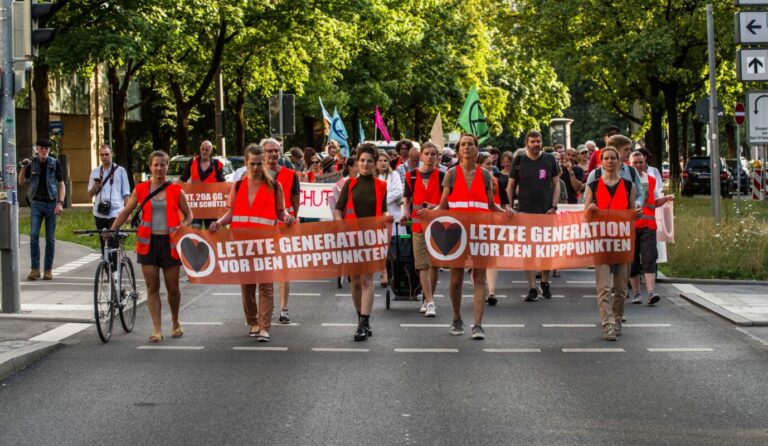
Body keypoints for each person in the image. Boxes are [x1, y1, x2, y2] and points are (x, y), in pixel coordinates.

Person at [209, 144, 293, 342]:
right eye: (251, 164)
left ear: (263, 162)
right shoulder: (238, 186)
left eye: (258, 163)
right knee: (246, 285)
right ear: (246, 164)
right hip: (242, 243)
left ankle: (265, 328)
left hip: (266, 243)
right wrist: (219, 223)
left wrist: (287, 217)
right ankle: (253, 322)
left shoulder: (274, 186)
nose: (255, 168)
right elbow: (231, 213)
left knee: (266, 286)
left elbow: (281, 212)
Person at [110, 150, 193, 343]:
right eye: (155, 165)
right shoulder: (140, 189)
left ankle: (175, 321)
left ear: (167, 167)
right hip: (148, 244)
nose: (159, 168)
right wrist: (112, 229)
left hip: (171, 244)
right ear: (150, 167)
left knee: (173, 288)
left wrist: (184, 227)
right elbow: (126, 211)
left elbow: (189, 215)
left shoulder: (175, 190)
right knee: (151, 286)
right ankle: (156, 329)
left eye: (162, 164)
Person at [435, 134, 505, 340]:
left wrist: (507, 214)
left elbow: (491, 205)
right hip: (457, 232)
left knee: (479, 277)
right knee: (456, 278)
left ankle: (478, 324)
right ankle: (457, 317)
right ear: (458, 150)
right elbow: (443, 205)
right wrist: (429, 213)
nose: (466, 148)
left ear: (476, 149)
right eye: (463, 144)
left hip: (479, 232)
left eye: (470, 144)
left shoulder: (485, 175)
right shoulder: (451, 174)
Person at [333, 143, 391, 341]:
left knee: (367, 280)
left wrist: (386, 217)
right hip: (351, 239)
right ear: (357, 163)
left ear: (375, 164)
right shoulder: (349, 184)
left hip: (371, 239)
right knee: (355, 282)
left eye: (369, 161)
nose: (365, 164)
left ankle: (364, 323)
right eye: (362, 161)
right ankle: (360, 318)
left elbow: (382, 210)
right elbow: (338, 209)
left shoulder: (381, 186)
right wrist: (340, 227)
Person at [583, 147, 637, 341]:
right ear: (601, 162)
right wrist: (591, 210)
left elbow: (632, 213)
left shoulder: (629, 185)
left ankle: (618, 317)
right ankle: (607, 325)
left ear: (619, 161)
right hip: (602, 244)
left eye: (613, 158)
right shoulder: (594, 186)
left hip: (622, 243)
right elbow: (585, 215)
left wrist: (635, 214)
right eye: (606, 158)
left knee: (621, 289)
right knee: (604, 288)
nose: (610, 161)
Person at [507, 131, 560, 302]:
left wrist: (553, 206)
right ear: (526, 143)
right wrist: (508, 206)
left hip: (546, 212)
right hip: (525, 212)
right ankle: (531, 287)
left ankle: (544, 281)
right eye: (532, 141)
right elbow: (510, 185)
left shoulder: (550, 159)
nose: (536, 144)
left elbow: (556, 184)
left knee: (547, 249)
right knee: (528, 250)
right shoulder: (519, 160)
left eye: (538, 141)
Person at [400, 142, 443, 317]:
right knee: (422, 265)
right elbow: (407, 199)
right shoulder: (411, 176)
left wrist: (435, 207)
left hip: (438, 226)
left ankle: (427, 298)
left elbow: (447, 201)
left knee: (434, 265)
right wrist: (405, 213)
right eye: (427, 154)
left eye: (434, 154)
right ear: (421, 156)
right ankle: (431, 302)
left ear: (437, 157)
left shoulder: (442, 177)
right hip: (417, 225)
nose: (430, 157)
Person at [263, 138, 301, 324]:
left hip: (285, 227)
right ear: (263, 153)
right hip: (261, 228)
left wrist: (294, 218)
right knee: (265, 270)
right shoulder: (254, 174)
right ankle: (266, 307)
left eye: (276, 151)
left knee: (284, 268)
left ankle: (284, 309)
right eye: (269, 151)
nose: (273, 154)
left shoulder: (290, 175)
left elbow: (296, 200)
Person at [629, 151, 674, 305]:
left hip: (648, 225)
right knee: (632, 261)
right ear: (630, 163)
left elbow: (654, 201)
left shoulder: (651, 179)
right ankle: (636, 293)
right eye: (635, 162)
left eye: (641, 162)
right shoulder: (625, 179)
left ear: (645, 162)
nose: (638, 165)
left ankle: (650, 292)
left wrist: (665, 199)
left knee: (649, 258)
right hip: (630, 227)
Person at [18, 139, 66, 281]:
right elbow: (20, 182)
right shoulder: (32, 163)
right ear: (37, 149)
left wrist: (60, 203)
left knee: (50, 239)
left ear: (49, 150)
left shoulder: (54, 163)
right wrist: (23, 168)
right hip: (36, 203)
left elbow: (61, 183)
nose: (44, 150)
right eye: (41, 148)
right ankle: (35, 269)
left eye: (46, 148)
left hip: (51, 203)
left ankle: (48, 270)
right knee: (33, 236)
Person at [87, 144, 131, 264]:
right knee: (103, 242)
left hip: (116, 212)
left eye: (107, 154)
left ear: (112, 155)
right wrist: (96, 187)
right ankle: (106, 268)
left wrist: (128, 213)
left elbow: (126, 194)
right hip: (99, 212)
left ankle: (115, 272)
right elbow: (90, 194)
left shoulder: (120, 171)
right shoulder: (95, 172)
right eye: (102, 155)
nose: (104, 157)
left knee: (112, 241)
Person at [177, 140, 225, 229]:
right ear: (200, 149)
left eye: (207, 150)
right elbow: (183, 179)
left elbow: (223, 184)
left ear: (211, 151)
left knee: (213, 230)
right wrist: (170, 189)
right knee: (196, 228)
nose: (204, 152)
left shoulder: (217, 164)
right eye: (202, 149)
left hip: (211, 204)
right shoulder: (192, 162)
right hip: (196, 202)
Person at [376, 150, 403, 287]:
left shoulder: (395, 175)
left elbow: (398, 191)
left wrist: (382, 200)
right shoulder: (372, 176)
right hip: (378, 215)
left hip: (393, 215)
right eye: (380, 160)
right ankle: (384, 272)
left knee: (393, 246)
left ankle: (394, 272)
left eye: (385, 160)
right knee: (381, 245)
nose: (383, 163)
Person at [478, 152, 501, 306]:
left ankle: (491, 292)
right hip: (475, 223)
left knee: (491, 257)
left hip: (492, 222)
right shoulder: (470, 180)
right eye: (487, 164)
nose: (490, 167)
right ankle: (483, 289)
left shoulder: (495, 180)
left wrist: (507, 212)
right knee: (478, 260)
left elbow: (501, 201)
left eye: (491, 164)